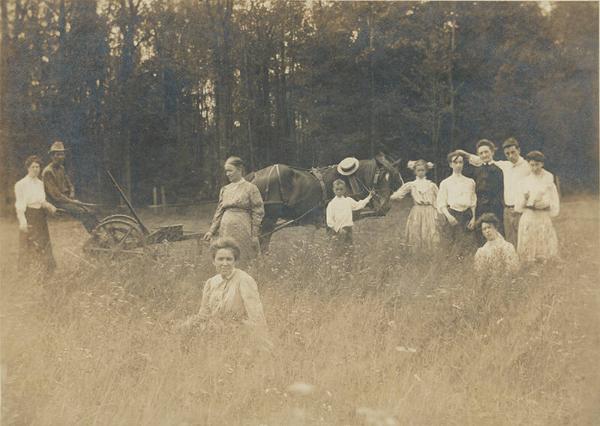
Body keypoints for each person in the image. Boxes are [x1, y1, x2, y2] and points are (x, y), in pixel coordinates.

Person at [179, 238, 270, 344]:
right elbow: (204, 313)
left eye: (229, 259)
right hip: (214, 333)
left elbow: (256, 314)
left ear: (236, 261)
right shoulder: (211, 282)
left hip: (238, 333)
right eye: (220, 259)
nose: (225, 263)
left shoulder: (244, 280)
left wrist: (263, 341)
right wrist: (189, 326)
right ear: (214, 261)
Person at [456, 137, 533, 246]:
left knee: (523, 238)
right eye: (507, 153)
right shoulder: (504, 165)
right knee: (507, 237)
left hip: (519, 208)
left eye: (513, 152)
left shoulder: (527, 166)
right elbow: (480, 160)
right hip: (505, 209)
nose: (510, 156)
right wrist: (463, 154)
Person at [204, 156, 265, 262]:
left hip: (242, 227)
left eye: (230, 170)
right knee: (227, 256)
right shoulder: (225, 189)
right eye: (226, 171)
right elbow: (219, 211)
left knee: (243, 257)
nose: (227, 174)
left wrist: (254, 234)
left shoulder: (251, 188)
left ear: (240, 169)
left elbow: (258, 212)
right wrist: (211, 231)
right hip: (225, 229)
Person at [42, 141, 99, 233]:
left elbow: (70, 184)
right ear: (52, 156)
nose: (61, 157)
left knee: (90, 211)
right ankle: (95, 235)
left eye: (62, 154)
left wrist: (72, 193)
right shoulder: (48, 172)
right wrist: (73, 201)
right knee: (81, 212)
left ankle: (100, 232)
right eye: (58, 155)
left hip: (67, 199)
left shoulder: (61, 168)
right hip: (57, 202)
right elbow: (56, 196)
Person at [514, 151, 560, 263]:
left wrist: (546, 204)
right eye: (532, 165)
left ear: (542, 164)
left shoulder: (548, 180)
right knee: (528, 241)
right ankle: (529, 263)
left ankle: (545, 264)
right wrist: (525, 200)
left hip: (542, 215)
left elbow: (554, 201)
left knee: (543, 240)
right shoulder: (524, 182)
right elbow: (518, 206)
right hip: (529, 215)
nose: (534, 168)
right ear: (528, 164)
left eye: (537, 165)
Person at [15, 155, 58, 272]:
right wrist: (22, 222)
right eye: (33, 167)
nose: (36, 169)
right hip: (29, 215)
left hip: (40, 215)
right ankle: (25, 270)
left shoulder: (40, 183)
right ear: (28, 168)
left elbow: (41, 200)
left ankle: (47, 268)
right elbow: (20, 205)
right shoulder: (21, 184)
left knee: (44, 241)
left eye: (38, 167)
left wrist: (49, 206)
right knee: (28, 242)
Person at [390, 159, 440, 254]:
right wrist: (390, 195)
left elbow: (439, 198)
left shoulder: (431, 185)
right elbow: (399, 194)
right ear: (415, 171)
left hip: (430, 210)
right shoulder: (412, 185)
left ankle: (430, 253)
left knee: (430, 231)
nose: (420, 172)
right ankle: (417, 253)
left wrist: (438, 210)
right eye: (418, 170)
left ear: (426, 171)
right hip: (417, 211)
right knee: (416, 230)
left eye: (422, 170)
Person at [436, 151, 477, 259]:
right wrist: (449, 216)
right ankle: (450, 266)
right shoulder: (445, 183)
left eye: (460, 162)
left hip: (467, 215)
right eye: (455, 162)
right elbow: (441, 202)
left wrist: (473, 218)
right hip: (452, 214)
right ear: (450, 164)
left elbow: (473, 201)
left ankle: (464, 266)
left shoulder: (470, 182)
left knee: (467, 243)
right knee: (450, 243)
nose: (458, 165)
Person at [326, 179, 373, 272]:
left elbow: (358, 205)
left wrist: (369, 197)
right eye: (337, 189)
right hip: (338, 231)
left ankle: (348, 269)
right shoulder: (331, 204)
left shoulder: (348, 200)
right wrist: (338, 229)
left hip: (348, 229)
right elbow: (329, 220)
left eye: (341, 189)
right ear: (333, 190)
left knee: (349, 249)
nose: (339, 191)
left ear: (344, 190)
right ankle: (336, 269)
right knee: (338, 249)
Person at [474, 213, 519, 280]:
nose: (487, 231)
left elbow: (513, 269)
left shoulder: (507, 247)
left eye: (489, 227)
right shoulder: (481, 251)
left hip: (506, 282)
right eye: (484, 229)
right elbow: (480, 273)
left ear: (495, 228)